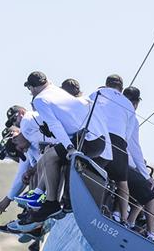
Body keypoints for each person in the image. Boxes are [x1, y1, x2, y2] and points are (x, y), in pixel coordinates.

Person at [19, 71, 111, 226]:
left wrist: (69, 148)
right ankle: (39, 195)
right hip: (96, 139)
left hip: (86, 140)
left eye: (29, 89)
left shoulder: (40, 99)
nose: (30, 93)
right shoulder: (55, 89)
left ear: (33, 87)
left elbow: (56, 125)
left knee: (49, 157)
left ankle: (51, 202)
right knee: (51, 155)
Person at [88, 74, 135, 223]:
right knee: (122, 182)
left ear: (106, 84)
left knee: (95, 170)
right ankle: (124, 218)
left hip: (99, 137)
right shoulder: (128, 103)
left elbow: (86, 115)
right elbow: (128, 133)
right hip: (119, 143)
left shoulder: (96, 93)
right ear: (121, 89)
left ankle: (93, 201)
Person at [122, 86, 154, 242]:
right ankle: (150, 233)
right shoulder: (132, 118)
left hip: (114, 160)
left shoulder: (109, 112)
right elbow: (134, 148)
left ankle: (126, 217)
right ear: (136, 103)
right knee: (152, 190)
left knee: (141, 181)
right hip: (123, 164)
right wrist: (145, 174)